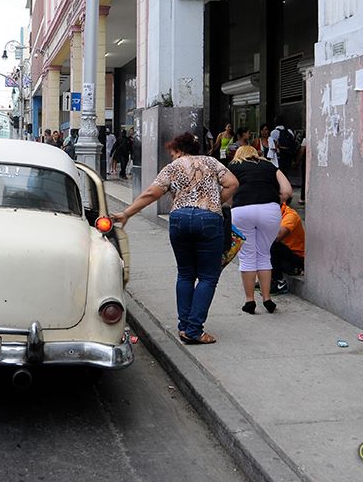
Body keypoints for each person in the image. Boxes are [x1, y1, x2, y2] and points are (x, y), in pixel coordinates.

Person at [113, 133, 238, 345]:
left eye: (172, 153)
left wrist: (127, 213)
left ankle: (184, 326)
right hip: (209, 219)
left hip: (179, 219)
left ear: (179, 150)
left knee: (186, 274)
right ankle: (195, 329)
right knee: (208, 277)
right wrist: (215, 202)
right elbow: (233, 183)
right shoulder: (211, 162)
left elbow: (152, 193)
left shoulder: (173, 167)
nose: (172, 157)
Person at [228, 145, 293, 315]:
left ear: (239, 154)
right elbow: (287, 190)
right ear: (256, 154)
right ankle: (267, 298)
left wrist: (230, 204)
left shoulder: (233, 166)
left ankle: (250, 301)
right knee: (264, 254)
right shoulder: (270, 166)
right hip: (269, 210)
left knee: (247, 256)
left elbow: (226, 190)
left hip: (242, 210)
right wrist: (275, 199)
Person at [270, 197, 305, 294]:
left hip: (296, 257)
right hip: (282, 254)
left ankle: (278, 281)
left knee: (272, 244)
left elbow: (278, 236)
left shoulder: (290, 215)